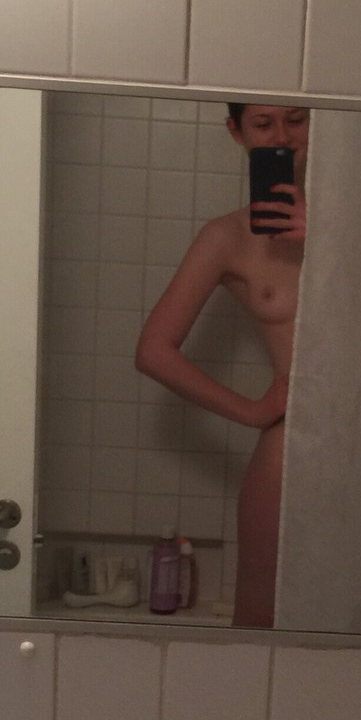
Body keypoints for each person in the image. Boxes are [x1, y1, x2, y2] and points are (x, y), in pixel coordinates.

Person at [134, 102, 308, 627]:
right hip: (290, 450)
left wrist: (332, 237)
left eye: (297, 119)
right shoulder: (228, 237)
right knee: (260, 619)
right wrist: (253, 411)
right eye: (262, 124)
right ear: (237, 132)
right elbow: (154, 350)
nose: (282, 136)